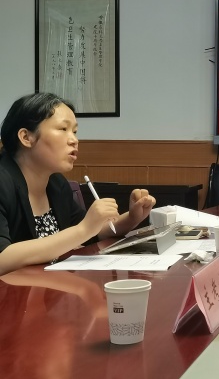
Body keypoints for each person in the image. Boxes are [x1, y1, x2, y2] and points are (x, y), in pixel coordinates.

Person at [0, 93, 155, 276]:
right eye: (63, 129)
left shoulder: (56, 184)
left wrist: (132, 218)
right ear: (26, 137)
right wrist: (84, 229)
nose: (74, 140)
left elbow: (93, 232)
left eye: (74, 131)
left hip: (47, 286)